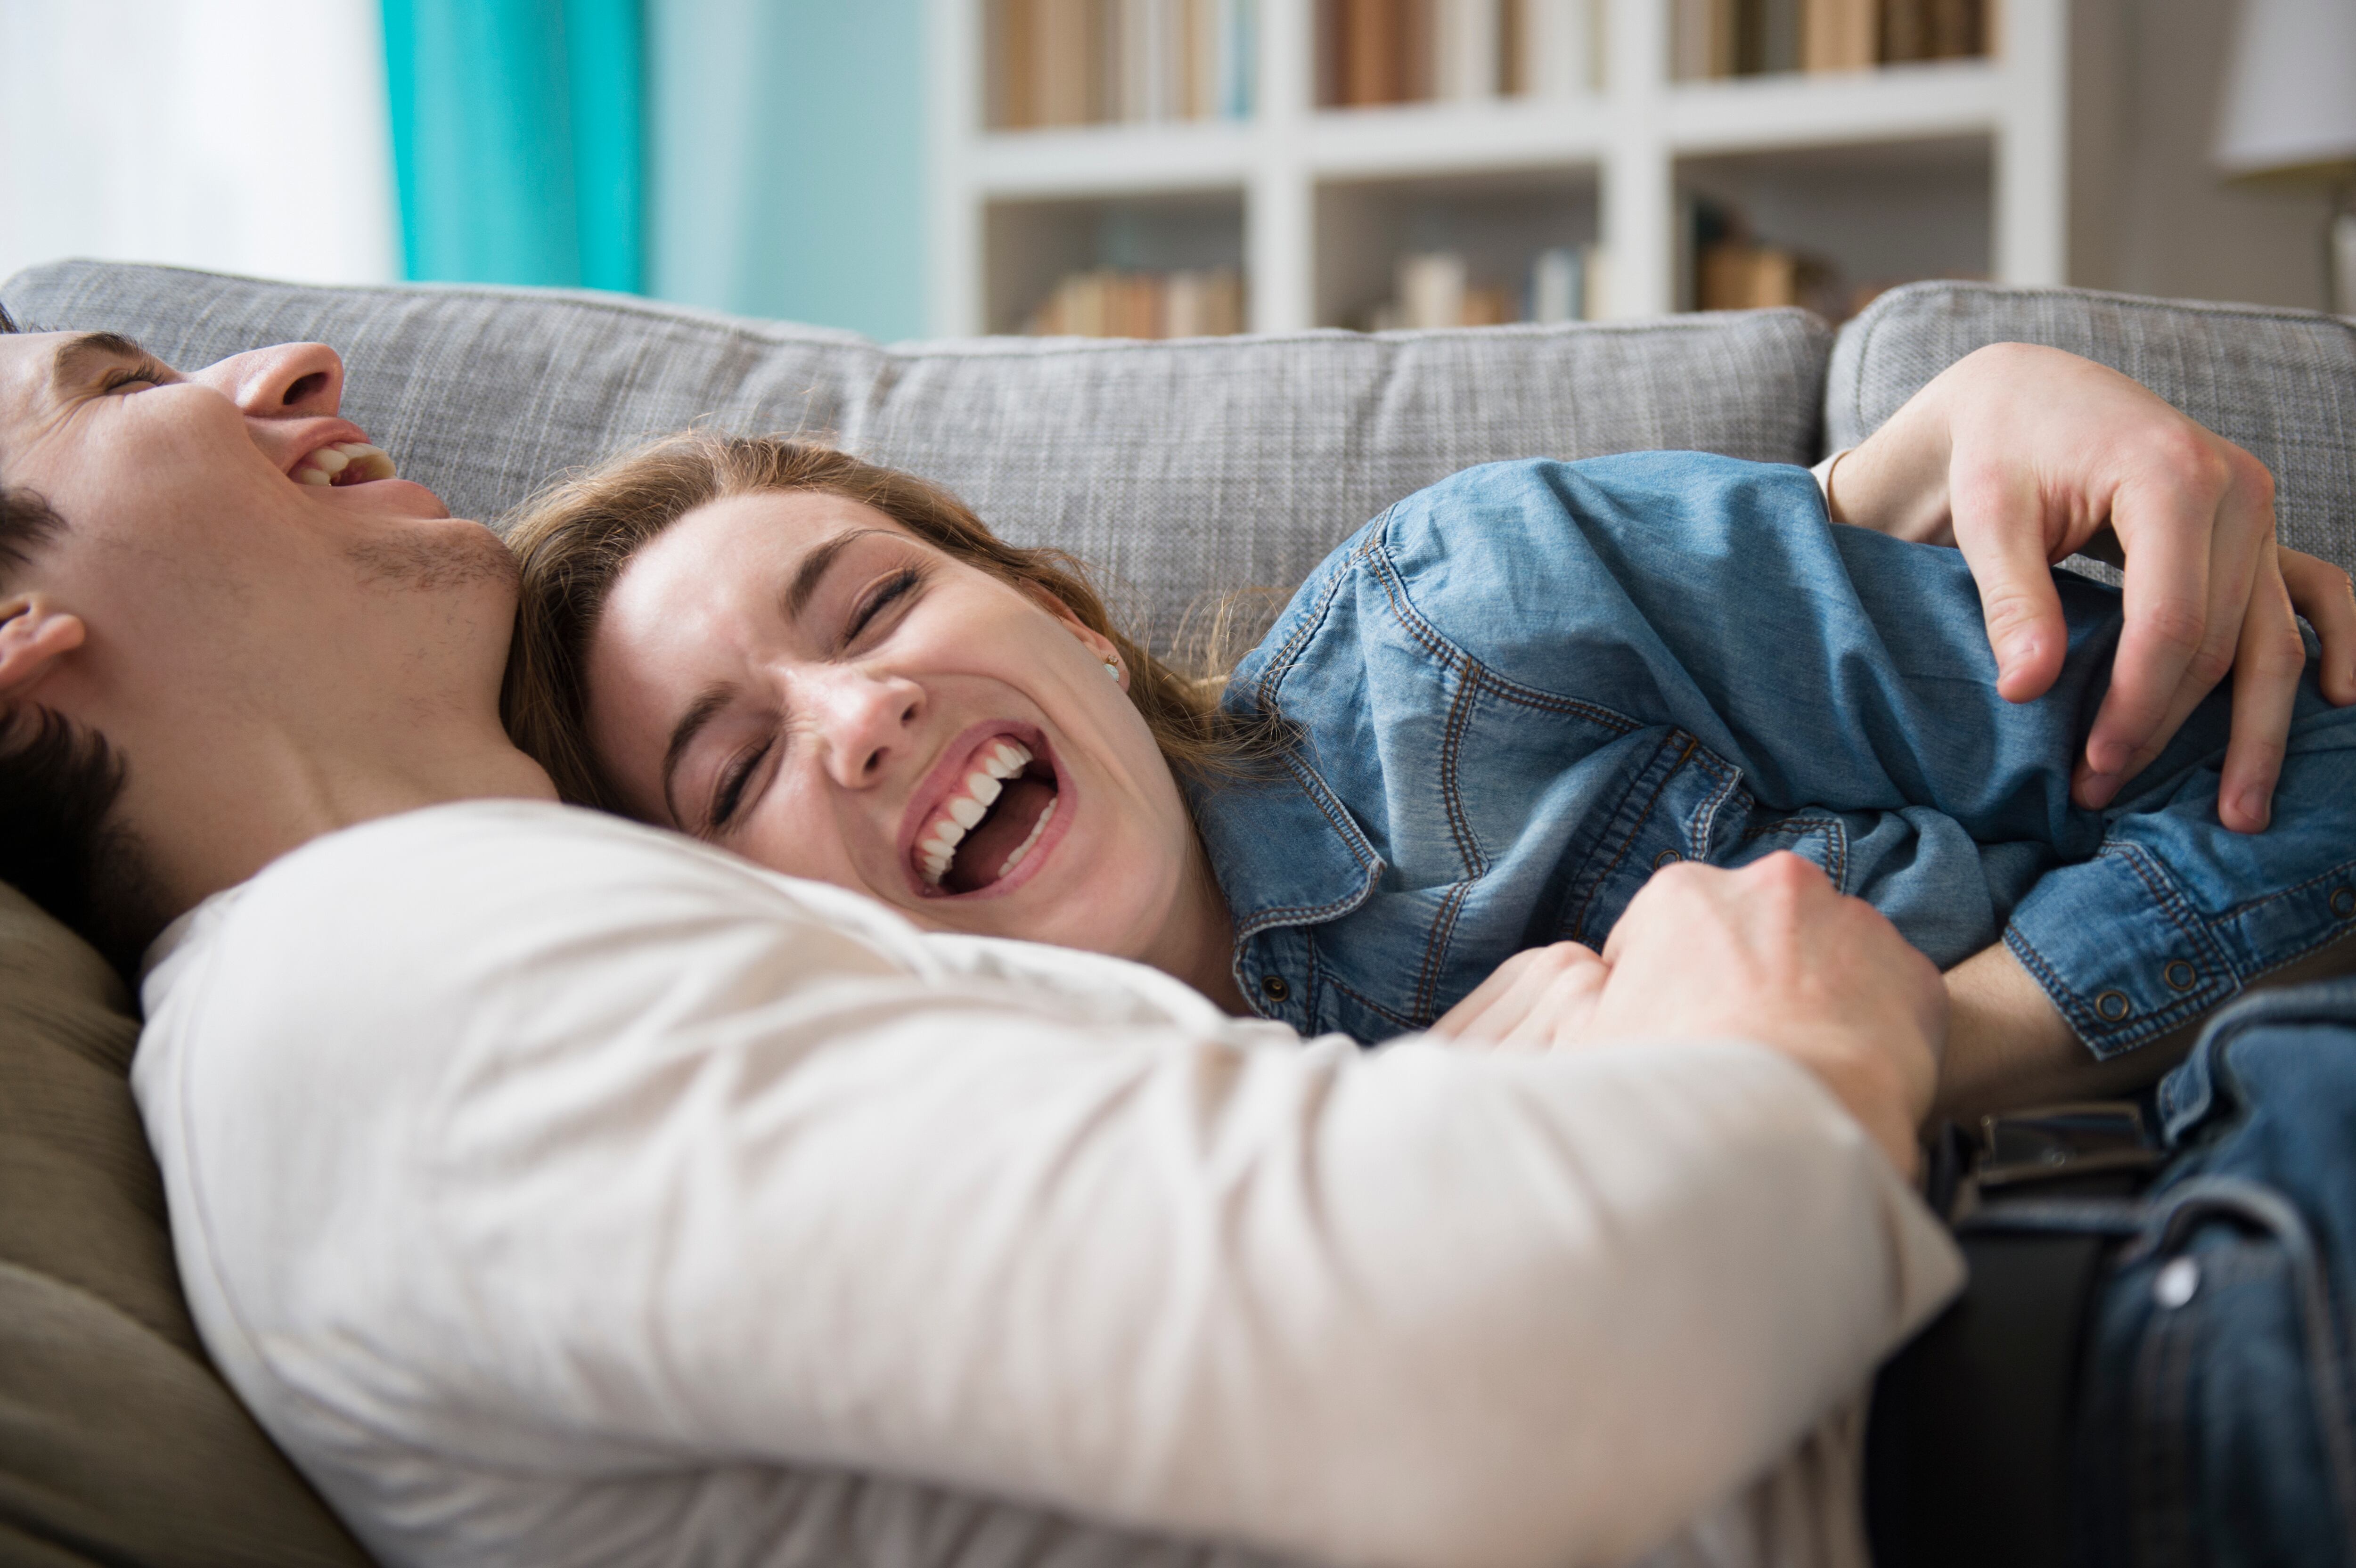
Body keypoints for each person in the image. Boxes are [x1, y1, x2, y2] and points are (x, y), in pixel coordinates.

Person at [0, 304, 2331, 1568]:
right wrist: (1816, 1042)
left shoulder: (493, 944)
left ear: (1076, 622)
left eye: (883, 600)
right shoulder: (384, 1000)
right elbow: (1502, 1357)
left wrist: (1892, 470)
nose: (282, 369)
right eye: (121, 395)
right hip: (2102, 1376)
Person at [500, 352, 2356, 1123]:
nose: (859, 712)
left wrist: (1910, 1042)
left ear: (1060, 616)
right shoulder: (978, 1228)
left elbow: (2316, 770)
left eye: (876, 605)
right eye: (731, 770)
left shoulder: (1478, 623)